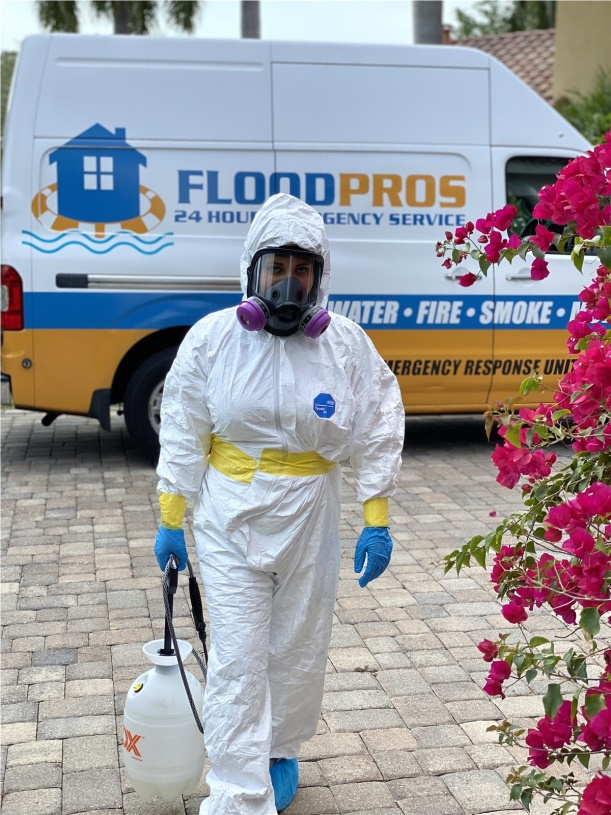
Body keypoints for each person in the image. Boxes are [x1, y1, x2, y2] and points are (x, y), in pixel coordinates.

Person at [154, 193, 405, 815]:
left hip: (311, 512)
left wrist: (376, 518)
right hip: (230, 514)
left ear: (320, 279)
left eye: (303, 271)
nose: (289, 285)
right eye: (277, 269)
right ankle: (238, 794)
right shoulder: (213, 340)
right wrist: (171, 517)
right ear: (252, 271)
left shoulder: (344, 346)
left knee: (297, 647)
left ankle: (279, 751)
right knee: (239, 656)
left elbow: (377, 425)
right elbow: (184, 427)